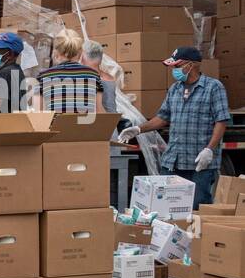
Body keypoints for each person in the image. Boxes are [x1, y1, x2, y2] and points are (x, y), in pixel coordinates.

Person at [117, 46, 229, 208]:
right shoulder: (175, 89)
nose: (174, 71)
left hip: (199, 162)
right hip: (173, 161)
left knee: (196, 209)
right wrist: (138, 129)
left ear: (191, 65)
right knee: (165, 208)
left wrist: (209, 150)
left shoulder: (213, 88)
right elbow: (163, 118)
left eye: (177, 66)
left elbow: (221, 120)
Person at [36, 29, 104, 114]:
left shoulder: (43, 77)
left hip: (56, 126)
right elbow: (99, 112)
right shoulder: (93, 75)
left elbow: (38, 115)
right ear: (80, 52)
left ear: (56, 51)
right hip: (85, 126)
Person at [81, 39, 118, 113]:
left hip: (99, 121)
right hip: (112, 120)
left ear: (83, 58)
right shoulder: (110, 78)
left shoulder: (87, 79)